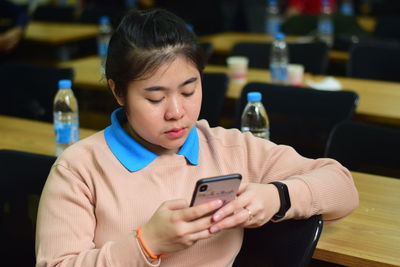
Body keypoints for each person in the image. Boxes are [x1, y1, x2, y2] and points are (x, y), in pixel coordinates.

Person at [35, 8, 359, 267]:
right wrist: (147, 244)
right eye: (155, 98)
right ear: (118, 92)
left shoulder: (226, 148)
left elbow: (341, 185)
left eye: (189, 91)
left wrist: (278, 197)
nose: (177, 112)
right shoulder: (79, 169)